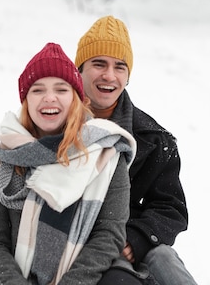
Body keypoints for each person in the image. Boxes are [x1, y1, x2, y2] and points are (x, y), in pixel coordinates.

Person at [0, 42, 136, 285]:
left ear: (75, 99)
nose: (49, 98)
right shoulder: (2, 158)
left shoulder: (107, 153)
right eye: (38, 90)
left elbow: (108, 235)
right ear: (26, 100)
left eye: (61, 89)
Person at [73, 15, 197, 285]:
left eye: (120, 67)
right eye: (99, 64)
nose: (109, 75)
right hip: (68, 238)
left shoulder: (152, 138)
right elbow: (12, 204)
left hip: (126, 239)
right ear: (79, 69)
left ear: (128, 76)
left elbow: (170, 208)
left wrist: (138, 239)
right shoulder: (52, 124)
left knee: (165, 259)